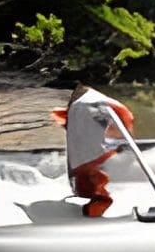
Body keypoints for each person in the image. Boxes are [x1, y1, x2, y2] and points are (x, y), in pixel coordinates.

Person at [51, 86, 135, 217]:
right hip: (91, 108)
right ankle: (97, 200)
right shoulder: (86, 105)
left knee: (88, 163)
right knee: (88, 163)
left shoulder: (86, 106)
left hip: (90, 109)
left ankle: (99, 201)